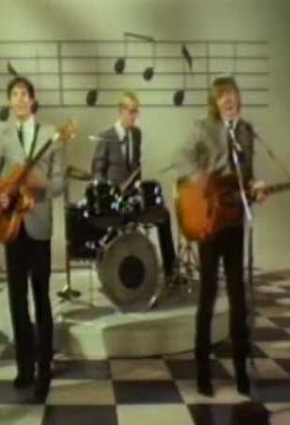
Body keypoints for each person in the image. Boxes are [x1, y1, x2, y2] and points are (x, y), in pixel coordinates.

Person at [177, 76, 268, 396]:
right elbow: (182, 159)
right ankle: (202, 371)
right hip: (208, 218)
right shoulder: (203, 128)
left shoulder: (246, 131)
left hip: (234, 219)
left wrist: (256, 187)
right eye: (222, 96)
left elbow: (246, 175)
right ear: (215, 103)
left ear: (238, 98)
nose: (228, 99)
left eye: (232, 94)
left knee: (238, 295)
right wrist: (198, 176)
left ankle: (241, 370)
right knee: (207, 293)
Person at [0, 77, 66, 400]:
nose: (18, 99)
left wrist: (41, 183)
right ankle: (24, 367)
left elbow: (60, 183)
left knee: (41, 298)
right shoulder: (5, 138)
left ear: (32, 100)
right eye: (13, 95)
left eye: (23, 94)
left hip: (39, 225)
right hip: (12, 227)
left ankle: (44, 369)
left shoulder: (52, 135)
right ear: (10, 102)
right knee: (17, 299)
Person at [91, 91, 177, 282]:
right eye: (131, 111)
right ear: (121, 111)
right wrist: (108, 192)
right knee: (119, 219)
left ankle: (171, 270)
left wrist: (137, 187)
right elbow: (97, 171)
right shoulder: (106, 136)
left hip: (131, 198)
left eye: (136, 111)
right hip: (114, 202)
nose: (134, 116)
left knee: (163, 214)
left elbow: (136, 167)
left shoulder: (136, 134)